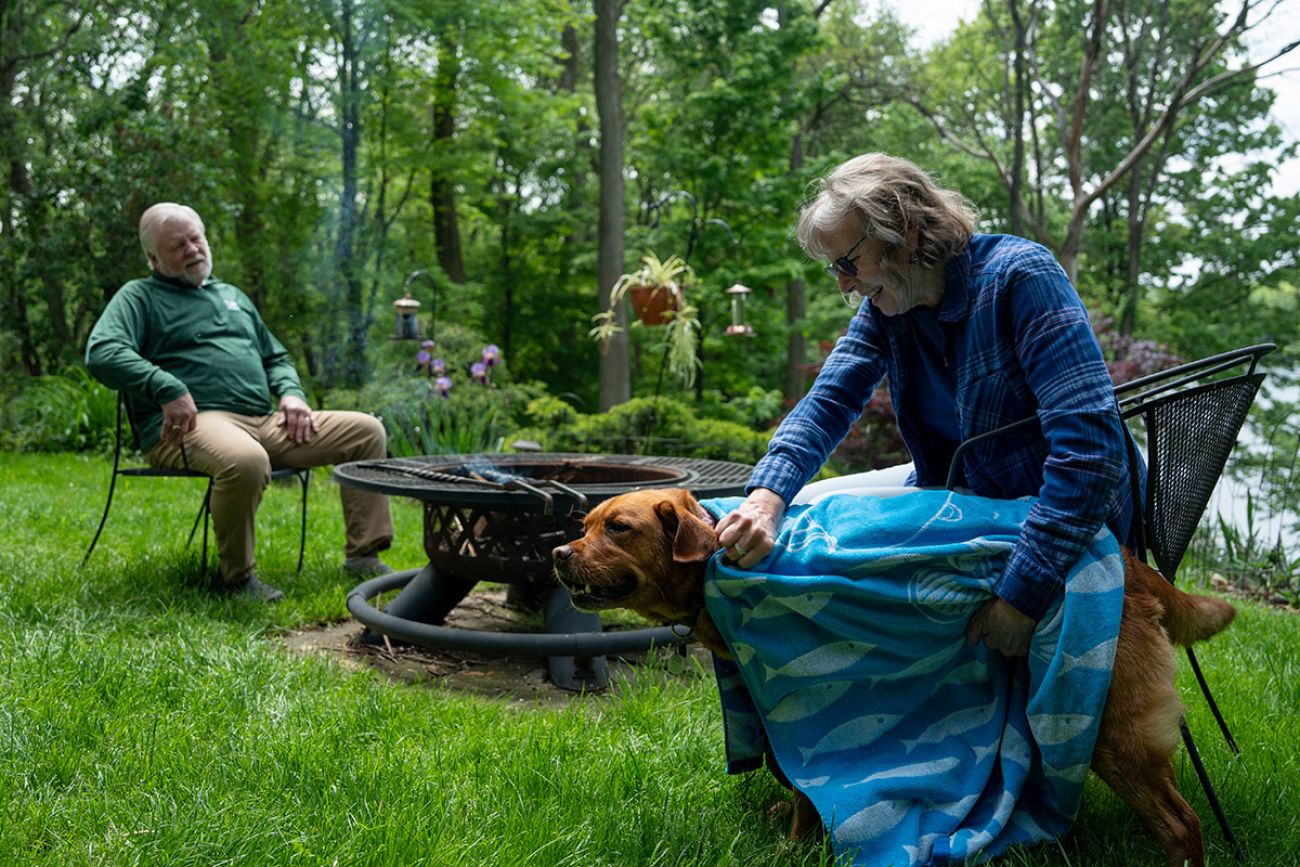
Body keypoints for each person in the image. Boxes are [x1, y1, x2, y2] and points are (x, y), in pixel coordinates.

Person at [715, 153, 1137, 656]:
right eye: (833, 269)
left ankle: (907, 694)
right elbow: (827, 402)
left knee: (832, 543)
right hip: (963, 495)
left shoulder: (1020, 278)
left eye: (848, 263)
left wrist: (1022, 597)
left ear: (907, 234)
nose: (843, 283)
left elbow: (1091, 453)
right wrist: (765, 500)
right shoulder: (890, 308)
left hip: (1047, 511)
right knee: (796, 515)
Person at [86, 203, 394, 601]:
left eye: (196, 238)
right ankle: (237, 579)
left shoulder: (232, 296)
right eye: (178, 245)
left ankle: (364, 556)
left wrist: (291, 394)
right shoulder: (140, 296)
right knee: (245, 460)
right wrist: (166, 387)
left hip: (264, 421)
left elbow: (275, 357)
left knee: (366, 432)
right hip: (190, 425)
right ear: (153, 258)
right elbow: (103, 352)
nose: (192, 249)